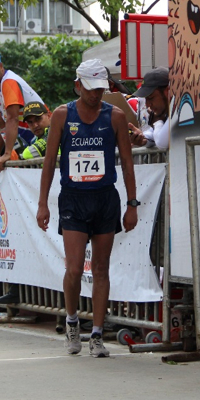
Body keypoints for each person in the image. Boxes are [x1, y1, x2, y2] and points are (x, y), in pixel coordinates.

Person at [37, 58, 138, 358]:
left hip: (105, 197)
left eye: (101, 90)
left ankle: (96, 334)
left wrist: (132, 204)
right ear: (77, 85)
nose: (96, 95)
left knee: (101, 268)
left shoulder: (116, 116)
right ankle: (71, 322)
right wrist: (43, 203)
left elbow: (128, 164)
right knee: (73, 267)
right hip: (73, 198)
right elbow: (49, 162)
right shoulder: (61, 115)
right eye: (91, 89)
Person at [0, 50, 44, 172]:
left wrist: (6, 154)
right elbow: (0, 122)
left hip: (43, 137)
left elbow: (12, 118)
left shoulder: (8, 82)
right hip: (30, 143)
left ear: (0, 66)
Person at [130, 67, 170, 151]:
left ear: (167, 92)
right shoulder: (165, 113)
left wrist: (157, 122)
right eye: (146, 99)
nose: (148, 104)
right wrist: (142, 138)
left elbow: (162, 143)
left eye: (151, 97)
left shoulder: (177, 109)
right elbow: (153, 133)